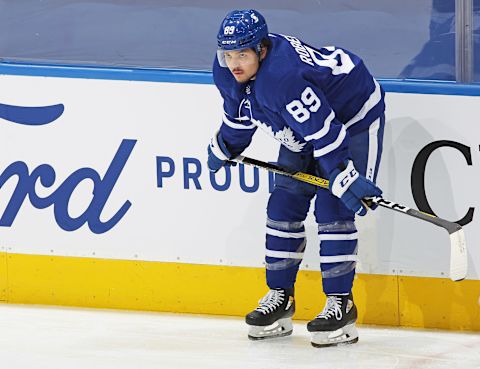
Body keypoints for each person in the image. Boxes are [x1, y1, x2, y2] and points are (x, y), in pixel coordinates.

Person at [207, 9, 385, 347]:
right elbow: (240, 117)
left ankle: (340, 305)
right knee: (284, 203)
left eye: (242, 54)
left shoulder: (283, 78)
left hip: (353, 113)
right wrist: (224, 145)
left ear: (261, 50)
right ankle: (280, 297)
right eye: (228, 54)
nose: (234, 63)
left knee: (334, 208)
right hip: (306, 126)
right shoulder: (229, 72)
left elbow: (328, 134)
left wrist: (341, 174)